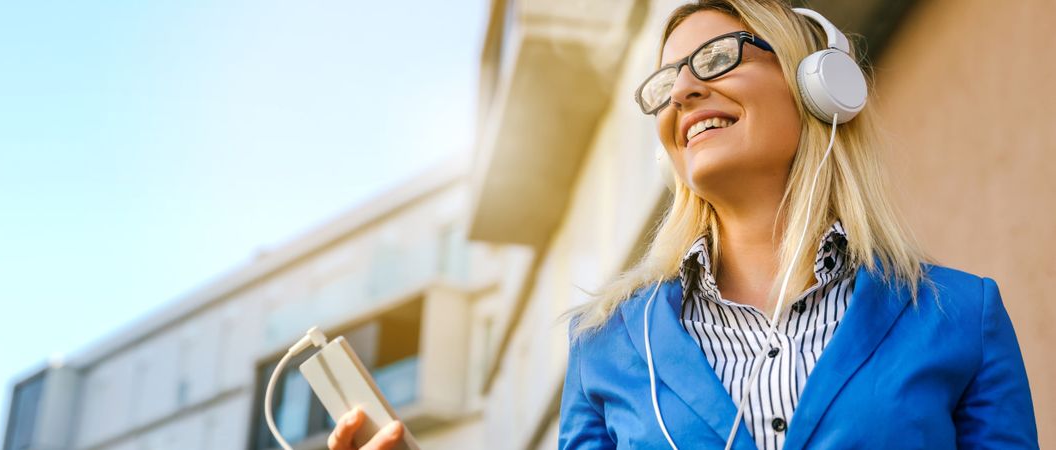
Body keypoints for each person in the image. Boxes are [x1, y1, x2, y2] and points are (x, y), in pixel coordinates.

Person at [328, 0, 1038, 449]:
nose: (686, 90)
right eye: (667, 82)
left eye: (718, 57)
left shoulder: (962, 318)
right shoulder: (604, 347)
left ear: (814, 84)